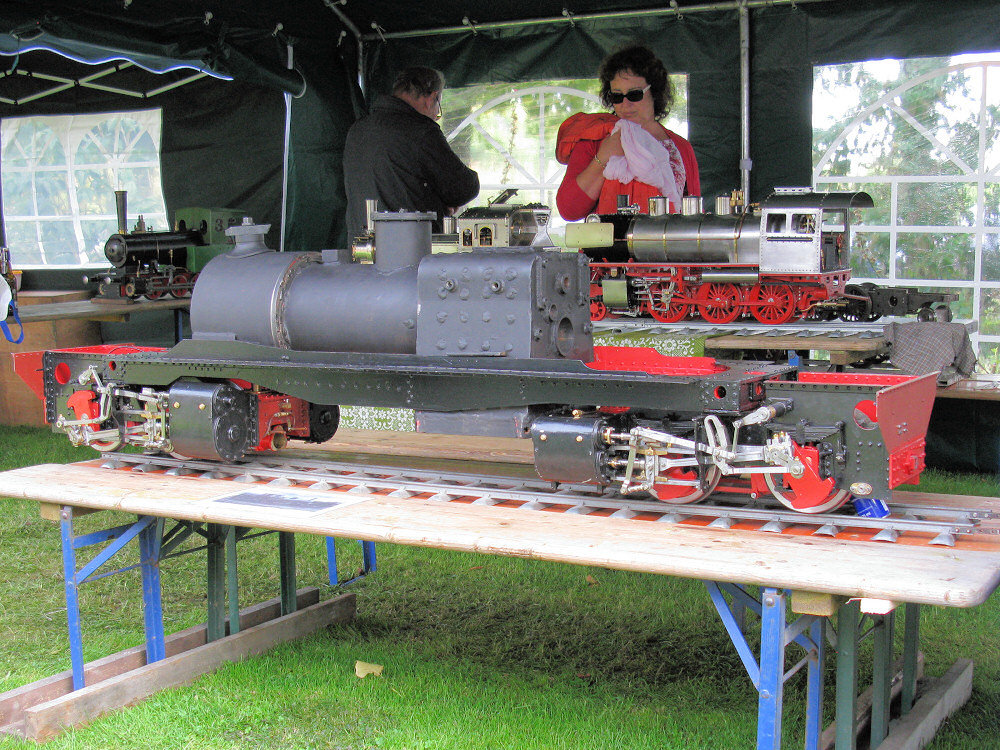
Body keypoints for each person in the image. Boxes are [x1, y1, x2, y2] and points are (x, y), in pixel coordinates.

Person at [555, 45, 700, 221]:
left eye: (634, 95)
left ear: (654, 92)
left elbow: (692, 217)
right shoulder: (595, 140)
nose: (625, 104)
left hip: (663, 246)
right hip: (607, 247)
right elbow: (568, 210)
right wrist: (603, 157)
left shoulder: (681, 147)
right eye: (617, 96)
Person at [344, 67, 480, 236]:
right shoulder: (420, 131)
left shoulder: (357, 130)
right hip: (408, 249)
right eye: (438, 109)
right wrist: (445, 201)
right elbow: (462, 188)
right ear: (432, 98)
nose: (436, 115)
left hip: (361, 249)